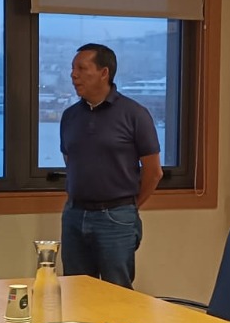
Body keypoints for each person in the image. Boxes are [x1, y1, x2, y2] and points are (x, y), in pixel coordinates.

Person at [59, 43, 161, 287]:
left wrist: (129, 207)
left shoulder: (134, 114)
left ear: (104, 73)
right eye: (73, 68)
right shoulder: (70, 116)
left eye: (82, 68)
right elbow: (70, 160)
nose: (73, 75)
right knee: (76, 290)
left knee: (117, 292)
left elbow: (153, 171)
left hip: (116, 217)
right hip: (74, 214)